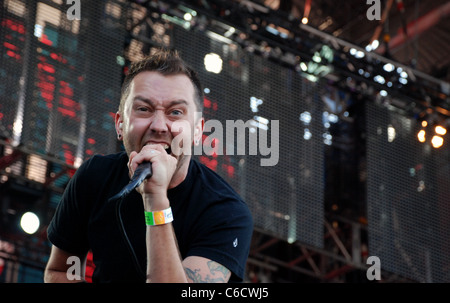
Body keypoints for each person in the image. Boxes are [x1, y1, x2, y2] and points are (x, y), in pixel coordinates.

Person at [44, 49, 253, 283]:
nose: (159, 125)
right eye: (143, 109)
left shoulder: (226, 212)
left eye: (175, 112)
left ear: (197, 131)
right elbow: (61, 271)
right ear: (120, 124)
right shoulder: (94, 177)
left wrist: (155, 199)